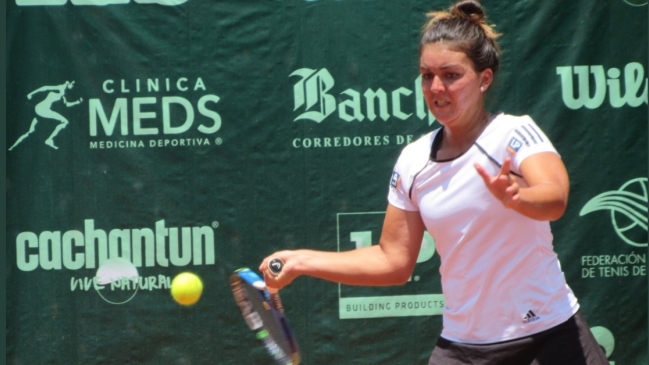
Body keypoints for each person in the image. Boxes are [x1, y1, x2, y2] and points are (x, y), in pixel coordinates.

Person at [260, 1, 609, 364]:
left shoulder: (513, 132)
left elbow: (555, 197)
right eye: (427, 75)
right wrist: (302, 261)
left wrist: (518, 197)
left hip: (549, 336)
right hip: (463, 348)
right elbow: (393, 261)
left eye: (451, 75)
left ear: (484, 78)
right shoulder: (414, 160)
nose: (437, 87)